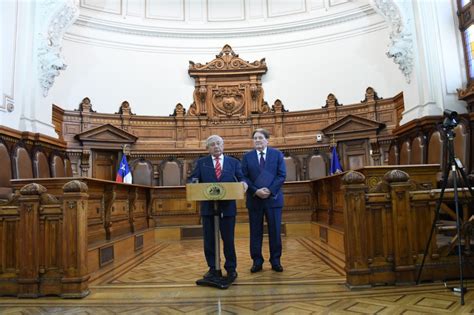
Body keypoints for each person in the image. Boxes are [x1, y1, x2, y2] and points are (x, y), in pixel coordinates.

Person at [189, 135, 247, 284]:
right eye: (213, 144)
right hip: (208, 208)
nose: (216, 146)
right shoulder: (201, 163)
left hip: (227, 208)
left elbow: (241, 178)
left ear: (223, 145)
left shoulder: (233, 162)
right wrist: (193, 184)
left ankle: (231, 268)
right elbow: (193, 179)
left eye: (219, 143)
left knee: (228, 239)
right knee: (209, 240)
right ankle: (213, 268)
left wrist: (244, 184)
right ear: (208, 148)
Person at [242, 128, 286, 273]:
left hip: (273, 199)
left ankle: (276, 261)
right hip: (255, 200)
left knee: (275, 231)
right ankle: (257, 261)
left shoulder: (277, 154)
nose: (258, 140)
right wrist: (256, 191)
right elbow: (244, 177)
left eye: (260, 138)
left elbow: (281, 175)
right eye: (255, 138)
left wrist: (269, 190)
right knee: (255, 232)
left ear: (267, 140)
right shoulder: (247, 157)